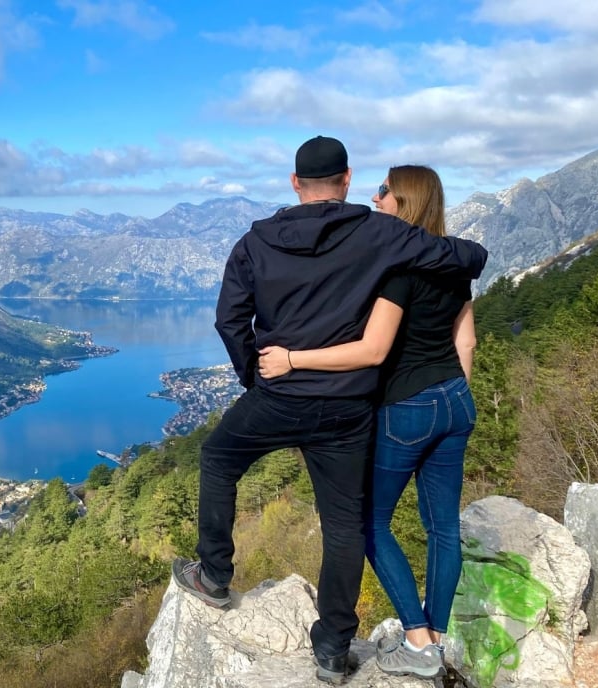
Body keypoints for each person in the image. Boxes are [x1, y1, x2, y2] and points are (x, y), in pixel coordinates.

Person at [168, 136, 487, 686]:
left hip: (280, 395)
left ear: (294, 182)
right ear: (345, 180)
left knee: (219, 460)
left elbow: (230, 320)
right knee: (344, 524)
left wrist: (257, 374)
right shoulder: (379, 232)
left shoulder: (255, 240)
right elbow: (470, 258)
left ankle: (215, 575)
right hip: (347, 408)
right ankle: (334, 649)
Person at [257, 165, 475, 680]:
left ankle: (418, 643)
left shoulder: (398, 269)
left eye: (383, 191)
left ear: (403, 201)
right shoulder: (453, 263)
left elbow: (373, 350)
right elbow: (465, 341)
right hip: (456, 400)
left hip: (407, 407)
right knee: (443, 525)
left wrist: (292, 359)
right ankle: (434, 641)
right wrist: (452, 397)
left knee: (369, 524)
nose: (375, 198)